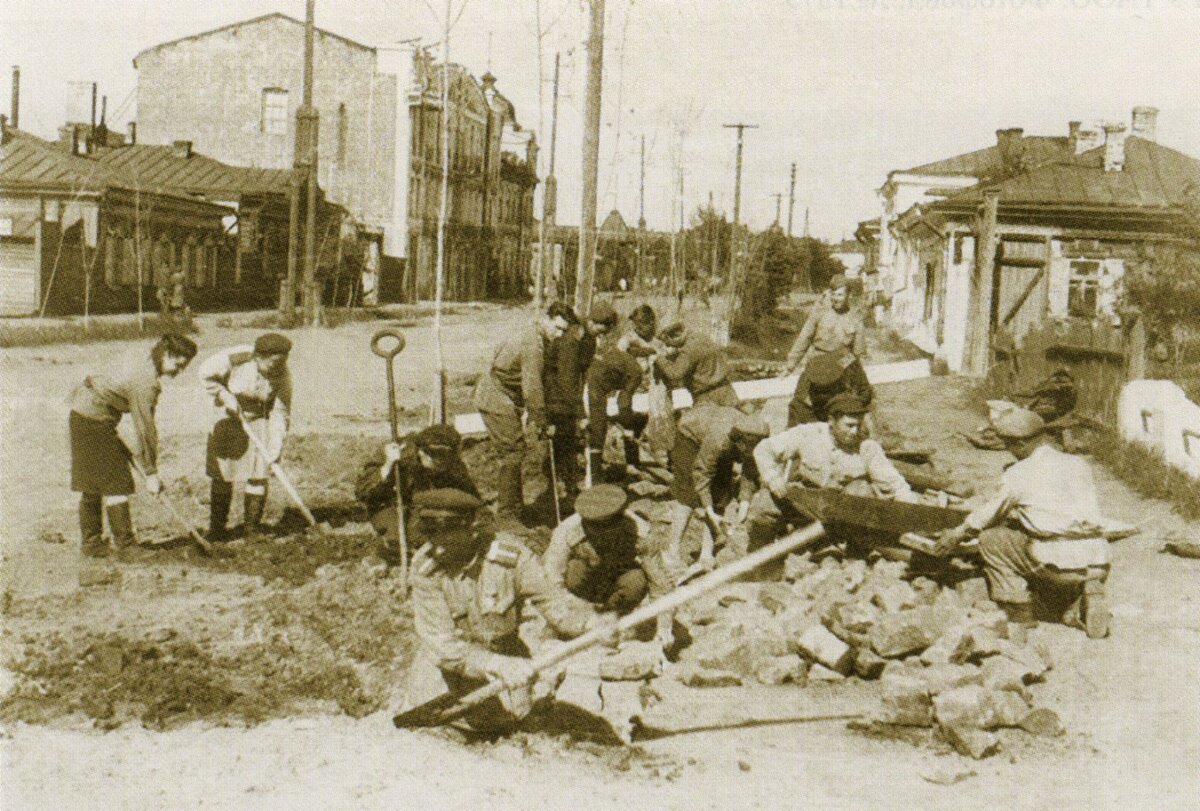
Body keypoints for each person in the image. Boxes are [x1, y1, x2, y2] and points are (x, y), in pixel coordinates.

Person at [403, 488, 604, 733]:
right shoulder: (427, 571)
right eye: (430, 533)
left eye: (446, 533)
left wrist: (591, 622)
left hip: (506, 662)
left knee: (514, 723)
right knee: (440, 732)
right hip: (447, 673)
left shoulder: (511, 557)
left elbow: (553, 601)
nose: (435, 544)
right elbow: (443, 645)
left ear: (473, 529)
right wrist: (495, 663)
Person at [931, 406, 1121, 638]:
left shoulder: (1019, 472)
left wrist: (957, 534)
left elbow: (987, 515)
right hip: (1098, 558)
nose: (1009, 451)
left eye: (1008, 445)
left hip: (1056, 562)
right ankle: (1081, 598)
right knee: (1048, 538)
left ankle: (1018, 611)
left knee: (991, 540)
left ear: (1020, 444)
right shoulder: (1078, 464)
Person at [69, 334, 199, 557]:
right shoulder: (146, 382)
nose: (179, 371)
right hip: (95, 419)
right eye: (178, 365)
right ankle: (126, 547)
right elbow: (145, 428)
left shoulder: (146, 355)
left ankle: (91, 544)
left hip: (82, 413)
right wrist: (151, 472)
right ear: (167, 354)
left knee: (92, 482)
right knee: (116, 482)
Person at [747, 393, 914, 554]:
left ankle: (854, 558)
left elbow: (896, 485)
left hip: (845, 519)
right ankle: (759, 565)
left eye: (858, 425)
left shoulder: (867, 448)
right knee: (765, 502)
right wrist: (773, 477)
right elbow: (764, 449)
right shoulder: (808, 434)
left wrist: (910, 512)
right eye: (849, 425)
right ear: (831, 421)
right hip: (807, 506)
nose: (855, 432)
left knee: (862, 491)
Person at [543, 484, 682, 649]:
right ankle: (575, 623)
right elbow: (551, 582)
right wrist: (561, 620)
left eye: (610, 535)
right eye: (597, 535)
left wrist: (664, 627)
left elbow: (659, 584)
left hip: (616, 582)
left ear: (621, 522)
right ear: (586, 525)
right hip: (584, 586)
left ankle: (611, 618)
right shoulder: (567, 531)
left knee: (637, 580)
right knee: (574, 571)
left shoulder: (641, 532)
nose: (604, 541)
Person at [473, 303, 572, 518]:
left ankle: (515, 509)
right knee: (512, 453)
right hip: (496, 398)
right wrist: (541, 421)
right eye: (557, 327)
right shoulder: (533, 345)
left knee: (514, 451)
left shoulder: (534, 332)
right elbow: (532, 388)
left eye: (564, 331)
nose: (559, 334)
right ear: (547, 318)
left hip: (505, 396)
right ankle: (508, 514)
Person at [199, 333, 293, 541]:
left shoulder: (282, 375)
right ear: (259, 356)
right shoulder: (238, 358)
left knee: (259, 473)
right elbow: (204, 373)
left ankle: (251, 530)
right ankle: (217, 530)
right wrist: (223, 395)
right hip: (227, 417)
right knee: (223, 474)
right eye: (275, 362)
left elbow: (281, 412)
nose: (279, 367)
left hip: (258, 420)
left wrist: (275, 446)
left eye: (283, 361)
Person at [354, 424, 480, 565]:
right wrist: (388, 465)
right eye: (436, 459)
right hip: (393, 506)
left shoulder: (451, 461)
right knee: (401, 540)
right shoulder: (398, 454)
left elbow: (470, 495)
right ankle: (387, 550)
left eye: (445, 460)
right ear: (421, 451)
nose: (441, 464)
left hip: (426, 509)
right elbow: (362, 492)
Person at [667, 404, 770, 571]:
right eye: (747, 449)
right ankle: (673, 550)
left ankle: (707, 554)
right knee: (687, 493)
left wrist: (744, 503)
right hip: (690, 436)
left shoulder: (756, 441)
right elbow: (702, 474)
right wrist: (708, 509)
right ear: (740, 443)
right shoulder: (719, 440)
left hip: (719, 433)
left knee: (720, 493)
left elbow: (749, 473)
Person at [543, 301, 619, 503]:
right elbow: (566, 380)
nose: (605, 334)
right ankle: (556, 494)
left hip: (569, 396)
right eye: (604, 329)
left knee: (569, 445)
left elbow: (583, 372)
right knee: (561, 446)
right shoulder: (572, 340)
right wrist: (581, 414)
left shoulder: (589, 339)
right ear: (594, 323)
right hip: (556, 398)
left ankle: (569, 490)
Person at [585, 346, 645, 482]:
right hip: (596, 387)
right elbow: (602, 403)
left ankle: (631, 463)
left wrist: (626, 428)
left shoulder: (632, 370)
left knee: (624, 421)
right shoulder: (597, 373)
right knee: (597, 427)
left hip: (615, 381)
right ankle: (594, 473)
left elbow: (623, 400)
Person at [785, 274, 866, 374]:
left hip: (842, 368)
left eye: (840, 295)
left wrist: (839, 367)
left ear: (848, 295)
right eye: (833, 294)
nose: (835, 298)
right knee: (802, 389)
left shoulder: (856, 319)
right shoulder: (819, 313)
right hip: (816, 365)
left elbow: (857, 352)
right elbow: (804, 338)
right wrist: (790, 366)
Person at [655, 321, 738, 407]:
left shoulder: (688, 350)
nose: (668, 346)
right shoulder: (701, 337)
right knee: (740, 416)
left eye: (667, 343)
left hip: (707, 396)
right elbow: (698, 357)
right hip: (726, 389)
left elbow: (675, 373)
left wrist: (658, 358)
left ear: (674, 337)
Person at [787, 347, 874, 428]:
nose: (822, 395)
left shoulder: (848, 361)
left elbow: (865, 393)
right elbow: (801, 418)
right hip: (818, 418)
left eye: (827, 391)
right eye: (819, 391)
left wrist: (849, 409)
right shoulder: (803, 394)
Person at [616, 304, 659, 374]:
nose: (638, 327)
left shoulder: (657, 343)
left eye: (643, 322)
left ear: (651, 322)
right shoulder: (626, 341)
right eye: (636, 323)